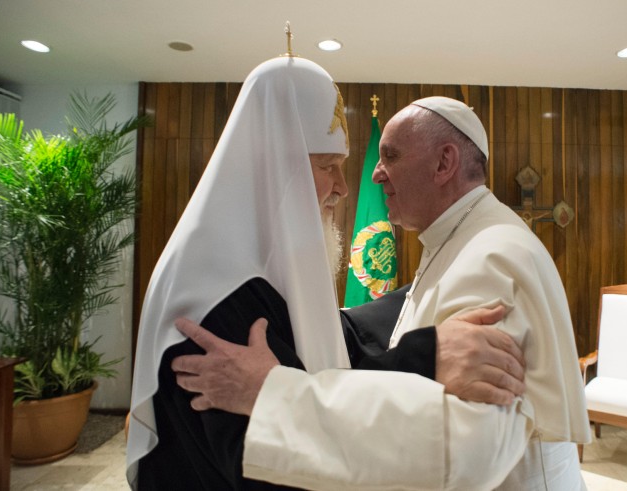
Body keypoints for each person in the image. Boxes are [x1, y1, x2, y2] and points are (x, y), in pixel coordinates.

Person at [126, 54, 526, 490]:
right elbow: (278, 468)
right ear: (273, 164)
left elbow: (331, 341)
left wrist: (429, 291)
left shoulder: (239, 266)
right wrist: (426, 358)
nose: (343, 185)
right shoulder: (215, 299)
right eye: (326, 165)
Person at [173, 97, 592, 489]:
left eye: (390, 156)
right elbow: (410, 307)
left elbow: (473, 448)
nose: (374, 173)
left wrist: (272, 394)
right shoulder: (464, 236)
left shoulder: (491, 255)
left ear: (445, 162)